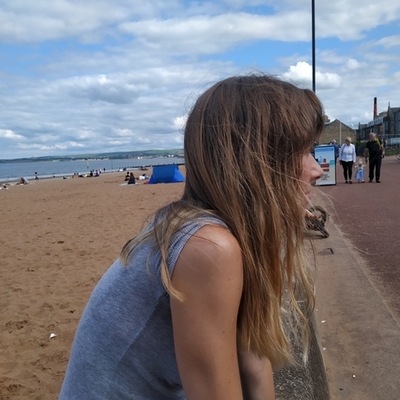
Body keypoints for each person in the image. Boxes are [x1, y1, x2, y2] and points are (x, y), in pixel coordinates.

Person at [59, 75, 327, 399]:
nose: (317, 169)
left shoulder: (209, 230)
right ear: (259, 163)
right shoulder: (207, 247)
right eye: (304, 152)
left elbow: (254, 362)